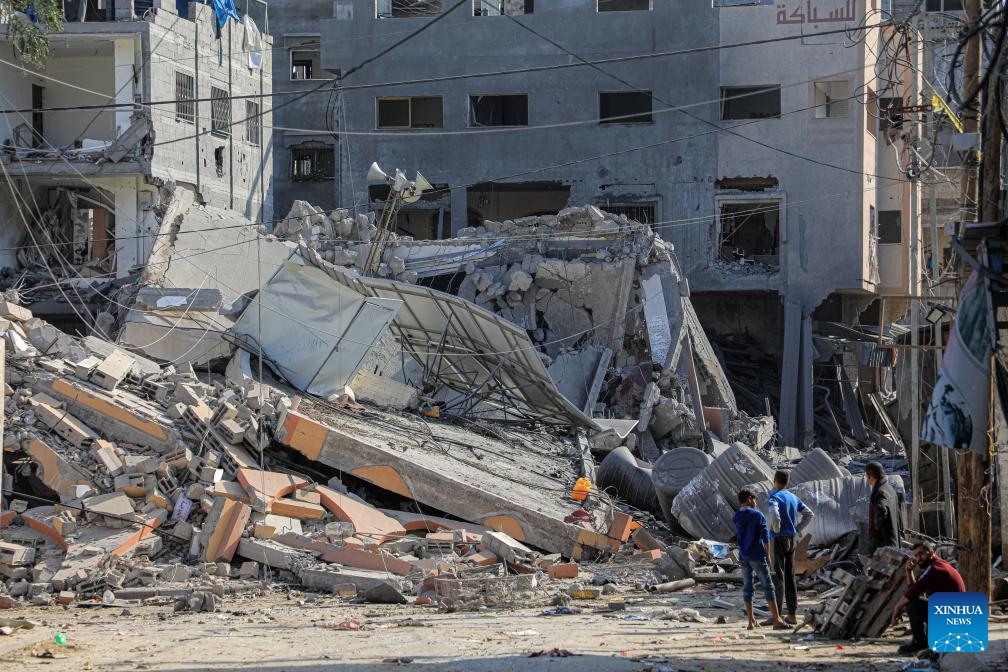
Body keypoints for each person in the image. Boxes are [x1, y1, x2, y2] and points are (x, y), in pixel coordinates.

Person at [889, 541, 965, 654]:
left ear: (931, 553)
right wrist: (909, 571)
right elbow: (914, 589)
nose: (918, 558)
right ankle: (923, 641)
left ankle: (919, 644)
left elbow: (913, 593)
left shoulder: (937, 569)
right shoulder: (935, 566)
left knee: (913, 604)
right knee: (914, 602)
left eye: (921, 554)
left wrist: (897, 607)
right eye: (916, 555)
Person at [733, 488, 789, 630]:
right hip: (757, 554)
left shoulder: (737, 516)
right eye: (755, 499)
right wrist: (769, 556)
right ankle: (776, 619)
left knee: (748, 587)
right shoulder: (757, 515)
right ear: (750, 499)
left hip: (743, 555)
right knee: (768, 586)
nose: (756, 502)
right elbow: (766, 538)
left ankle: (751, 621)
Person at [767, 469, 815, 625]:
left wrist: (776, 528)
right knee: (790, 576)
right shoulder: (793, 497)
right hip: (792, 538)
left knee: (778, 576)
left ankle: (778, 615)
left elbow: (774, 514)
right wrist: (798, 529)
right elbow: (809, 514)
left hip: (778, 539)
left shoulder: (774, 497)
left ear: (775, 481)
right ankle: (792, 614)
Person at [865, 461, 902, 551]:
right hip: (893, 538)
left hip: (883, 542)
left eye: (866, 476)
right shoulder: (890, 489)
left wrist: (877, 526)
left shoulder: (880, 492)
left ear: (869, 475)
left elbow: (882, 510)